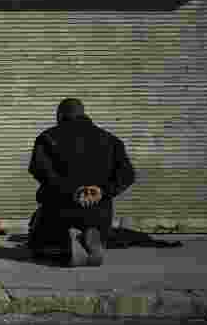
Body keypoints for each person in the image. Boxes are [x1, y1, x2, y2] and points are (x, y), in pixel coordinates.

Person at [28, 98, 136, 267]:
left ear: (60, 115)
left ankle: (64, 245)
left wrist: (72, 190)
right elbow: (128, 175)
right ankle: (91, 237)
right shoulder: (111, 140)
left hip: (60, 210)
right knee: (96, 223)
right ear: (84, 114)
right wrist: (102, 191)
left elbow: (39, 170)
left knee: (39, 245)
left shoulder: (48, 137)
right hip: (99, 214)